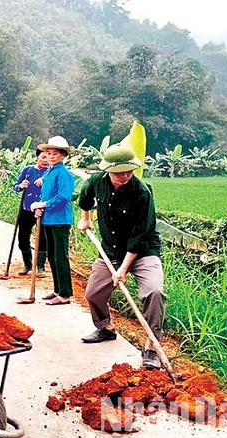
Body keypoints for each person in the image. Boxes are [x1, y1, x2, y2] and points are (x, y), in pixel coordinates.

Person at [77, 143, 165, 370]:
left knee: (154, 292)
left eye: (129, 171)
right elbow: (85, 197)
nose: (125, 176)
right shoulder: (97, 181)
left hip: (143, 251)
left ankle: (151, 347)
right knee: (93, 293)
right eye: (119, 172)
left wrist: (123, 269)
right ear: (108, 170)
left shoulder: (142, 192)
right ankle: (105, 328)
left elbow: (141, 235)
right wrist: (85, 218)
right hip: (110, 249)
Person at [29, 136, 75, 305]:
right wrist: (40, 207)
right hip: (48, 219)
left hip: (60, 220)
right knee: (52, 257)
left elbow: (63, 197)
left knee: (60, 257)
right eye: (48, 153)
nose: (50, 156)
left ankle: (65, 294)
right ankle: (57, 290)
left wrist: (44, 204)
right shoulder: (49, 172)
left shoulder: (64, 174)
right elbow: (46, 194)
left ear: (63, 155)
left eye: (54, 153)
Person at [13, 150, 49, 276]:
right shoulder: (27, 170)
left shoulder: (50, 172)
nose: (45, 160)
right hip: (27, 208)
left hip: (42, 210)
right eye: (43, 157)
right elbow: (16, 186)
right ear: (36, 157)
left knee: (43, 238)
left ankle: (40, 266)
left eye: (47, 157)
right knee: (22, 238)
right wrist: (21, 186)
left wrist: (44, 180)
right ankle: (27, 264)